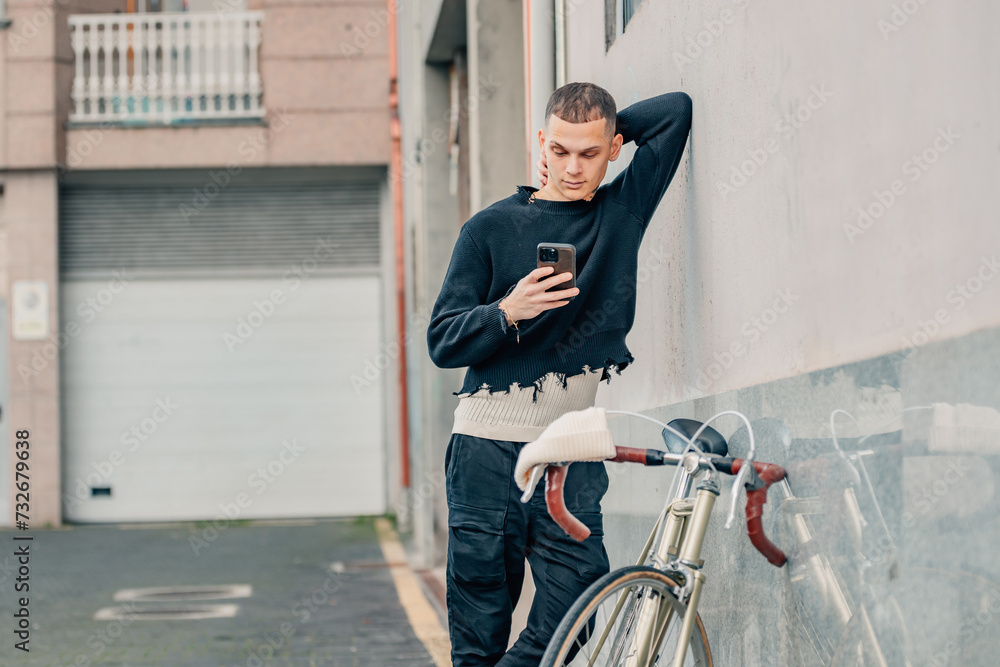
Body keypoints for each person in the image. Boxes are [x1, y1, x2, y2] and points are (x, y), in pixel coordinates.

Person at [426, 81, 692, 666]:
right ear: (541, 145)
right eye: (561, 150)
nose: (573, 167)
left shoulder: (621, 213)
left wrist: (610, 123)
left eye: (590, 153)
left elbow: (675, 114)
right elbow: (441, 341)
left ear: (614, 148)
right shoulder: (489, 229)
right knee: (480, 627)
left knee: (576, 613)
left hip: (569, 448)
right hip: (485, 450)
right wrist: (505, 312)